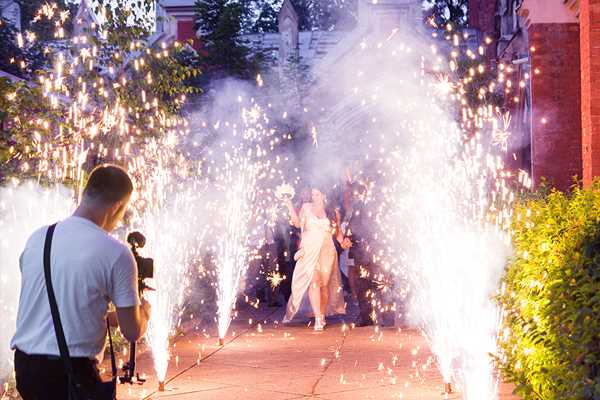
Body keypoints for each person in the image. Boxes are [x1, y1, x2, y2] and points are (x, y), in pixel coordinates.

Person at [10, 164, 152, 400]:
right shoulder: (116, 252)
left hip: (27, 369)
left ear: (85, 194)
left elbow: (56, 302)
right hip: (71, 373)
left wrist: (107, 318)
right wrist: (144, 313)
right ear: (117, 207)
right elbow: (133, 331)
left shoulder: (39, 237)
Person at [282, 187, 350, 330]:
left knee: (324, 286)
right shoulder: (306, 208)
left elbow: (338, 234)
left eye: (317, 194)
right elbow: (297, 223)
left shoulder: (333, 212)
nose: (314, 197)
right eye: (312, 194)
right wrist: (288, 205)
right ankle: (318, 318)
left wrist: (344, 243)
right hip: (310, 250)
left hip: (327, 251)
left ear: (324, 195)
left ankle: (322, 314)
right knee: (314, 282)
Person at [344, 182, 377, 327]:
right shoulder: (368, 206)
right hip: (367, 249)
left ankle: (367, 317)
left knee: (363, 284)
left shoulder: (360, 207)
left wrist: (349, 238)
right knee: (369, 282)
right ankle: (372, 315)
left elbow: (358, 228)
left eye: (352, 194)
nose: (350, 197)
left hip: (363, 250)